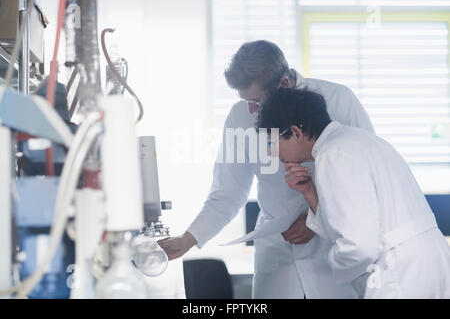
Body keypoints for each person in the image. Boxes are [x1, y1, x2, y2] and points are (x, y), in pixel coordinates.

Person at [159, 40, 374, 298]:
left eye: (256, 102)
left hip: (330, 248)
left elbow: (364, 177)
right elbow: (227, 192)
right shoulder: (240, 117)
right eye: (244, 100)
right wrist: (187, 240)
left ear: (283, 84)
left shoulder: (338, 100)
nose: (251, 110)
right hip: (276, 249)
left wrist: (315, 218)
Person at [256, 88, 450, 298]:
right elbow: (353, 221)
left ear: (295, 132)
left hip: (399, 274)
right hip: (431, 263)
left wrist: (333, 266)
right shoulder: (358, 141)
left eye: (271, 142)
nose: (270, 152)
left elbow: (359, 248)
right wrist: (310, 193)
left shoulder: (333, 154)